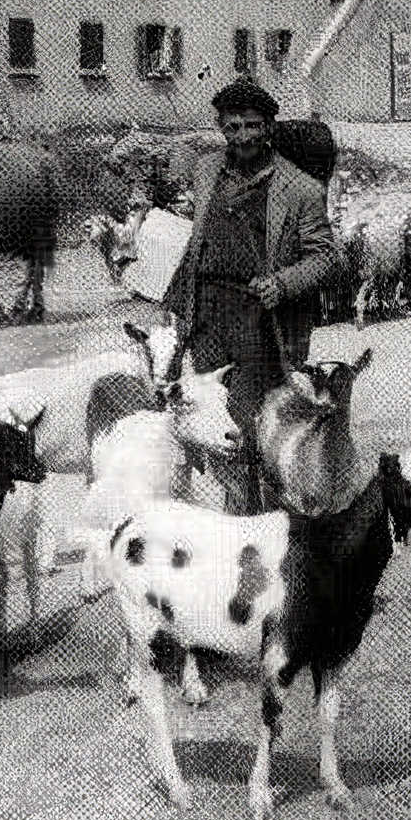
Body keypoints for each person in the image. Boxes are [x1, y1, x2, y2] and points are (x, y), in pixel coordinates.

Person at [160, 79, 337, 512]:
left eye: (253, 126)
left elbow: (324, 255)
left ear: (270, 126)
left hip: (257, 320)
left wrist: (283, 283)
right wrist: (180, 303)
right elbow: (199, 241)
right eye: (233, 126)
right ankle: (234, 508)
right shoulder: (207, 170)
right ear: (221, 127)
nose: (242, 137)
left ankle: (261, 516)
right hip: (207, 313)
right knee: (212, 413)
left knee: (251, 419)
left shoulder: (299, 189)